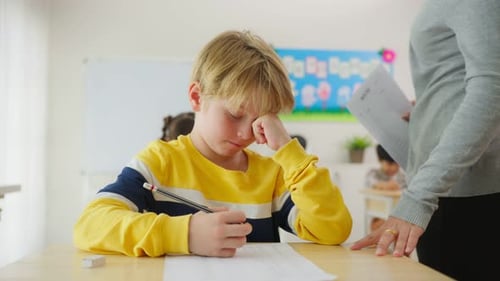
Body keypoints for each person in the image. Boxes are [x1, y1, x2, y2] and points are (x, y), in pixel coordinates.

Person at [74, 30, 352, 258]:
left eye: (259, 120)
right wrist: (185, 233)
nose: (246, 134)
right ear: (197, 97)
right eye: (234, 114)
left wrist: (289, 152)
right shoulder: (160, 161)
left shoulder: (271, 174)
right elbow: (90, 225)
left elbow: (333, 229)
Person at [350, 1, 500, 280]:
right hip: (450, 192)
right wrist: (428, 110)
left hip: (465, 195)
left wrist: (418, 199)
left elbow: (492, 90)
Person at [365, 144, 406, 231]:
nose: (394, 167)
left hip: (400, 213)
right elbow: (373, 184)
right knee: (379, 224)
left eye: (397, 164)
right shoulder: (373, 174)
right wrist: (385, 186)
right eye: (390, 164)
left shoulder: (402, 176)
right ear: (380, 161)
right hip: (379, 211)